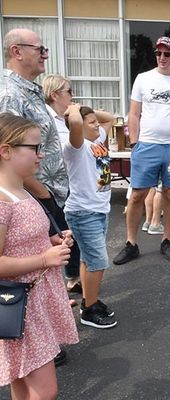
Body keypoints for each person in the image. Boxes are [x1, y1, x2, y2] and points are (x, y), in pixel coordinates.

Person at [0, 28, 75, 366]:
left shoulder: (29, 91)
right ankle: (32, 349)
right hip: (31, 195)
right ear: (16, 51)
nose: (45, 53)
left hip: (40, 194)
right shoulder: (8, 95)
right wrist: (44, 198)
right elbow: (11, 156)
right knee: (32, 268)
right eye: (40, 48)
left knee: (46, 267)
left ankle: (42, 342)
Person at [0, 112, 79, 400]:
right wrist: (45, 258)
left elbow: (20, 241)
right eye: (33, 148)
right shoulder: (2, 199)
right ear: (6, 151)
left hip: (32, 300)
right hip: (20, 303)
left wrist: (50, 241)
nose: (40, 154)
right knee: (45, 392)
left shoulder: (20, 190)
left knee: (23, 383)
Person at [113, 36, 170, 265]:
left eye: (167, 54)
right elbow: (134, 113)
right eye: (158, 53)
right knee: (138, 194)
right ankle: (131, 244)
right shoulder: (143, 79)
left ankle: (166, 239)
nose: (162, 58)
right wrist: (135, 142)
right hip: (147, 145)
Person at [63, 104, 117, 329]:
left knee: (88, 259)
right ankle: (89, 310)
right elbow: (74, 123)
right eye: (91, 123)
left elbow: (110, 118)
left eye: (96, 122)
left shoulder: (96, 140)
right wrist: (73, 109)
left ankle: (90, 300)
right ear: (79, 127)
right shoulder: (75, 146)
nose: (97, 124)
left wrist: (90, 112)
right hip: (83, 212)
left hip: (98, 210)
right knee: (98, 261)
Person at [43, 74, 83, 299]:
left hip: (65, 185)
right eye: (69, 91)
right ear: (55, 94)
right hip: (48, 188)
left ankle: (72, 279)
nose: (72, 96)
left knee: (67, 234)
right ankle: (55, 292)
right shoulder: (46, 118)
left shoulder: (61, 119)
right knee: (54, 238)